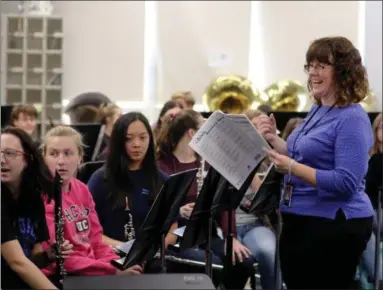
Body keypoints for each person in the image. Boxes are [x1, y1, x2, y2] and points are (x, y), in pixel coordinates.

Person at [256, 36, 374, 289]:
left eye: (322, 65)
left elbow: (345, 182)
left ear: (343, 71)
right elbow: (301, 155)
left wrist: (290, 167)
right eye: (310, 66)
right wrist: (274, 140)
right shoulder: (318, 109)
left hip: (334, 225)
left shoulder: (353, 118)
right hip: (300, 219)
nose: (313, 73)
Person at [156, 110, 254, 289]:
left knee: (243, 262)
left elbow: (224, 205)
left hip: (205, 234)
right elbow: (156, 207)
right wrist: (178, 211)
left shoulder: (208, 162)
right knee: (213, 265)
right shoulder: (162, 166)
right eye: (205, 128)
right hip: (175, 237)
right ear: (193, 134)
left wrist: (230, 238)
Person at [40, 125, 142, 279]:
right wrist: (112, 271)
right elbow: (61, 260)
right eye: (53, 154)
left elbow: (96, 241)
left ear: (80, 157)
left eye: (68, 153)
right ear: (44, 157)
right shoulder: (43, 197)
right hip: (63, 276)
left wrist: (117, 263)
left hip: (93, 269)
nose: (61, 161)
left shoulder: (82, 189)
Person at [88, 112, 173, 248]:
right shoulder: (100, 180)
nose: (137, 144)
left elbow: (173, 226)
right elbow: (88, 231)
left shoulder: (161, 179)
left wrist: (156, 248)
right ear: (118, 142)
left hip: (154, 255)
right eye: (129, 139)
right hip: (113, 255)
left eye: (143, 138)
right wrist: (126, 248)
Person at [1, 127, 70, 289]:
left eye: (10, 153)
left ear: (27, 160)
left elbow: (32, 259)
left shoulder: (32, 198)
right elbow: (17, 262)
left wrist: (49, 255)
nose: (2, 160)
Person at [359, 112, 382, 285]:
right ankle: (379, 277)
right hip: (371, 209)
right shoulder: (368, 158)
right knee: (362, 224)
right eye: (381, 127)